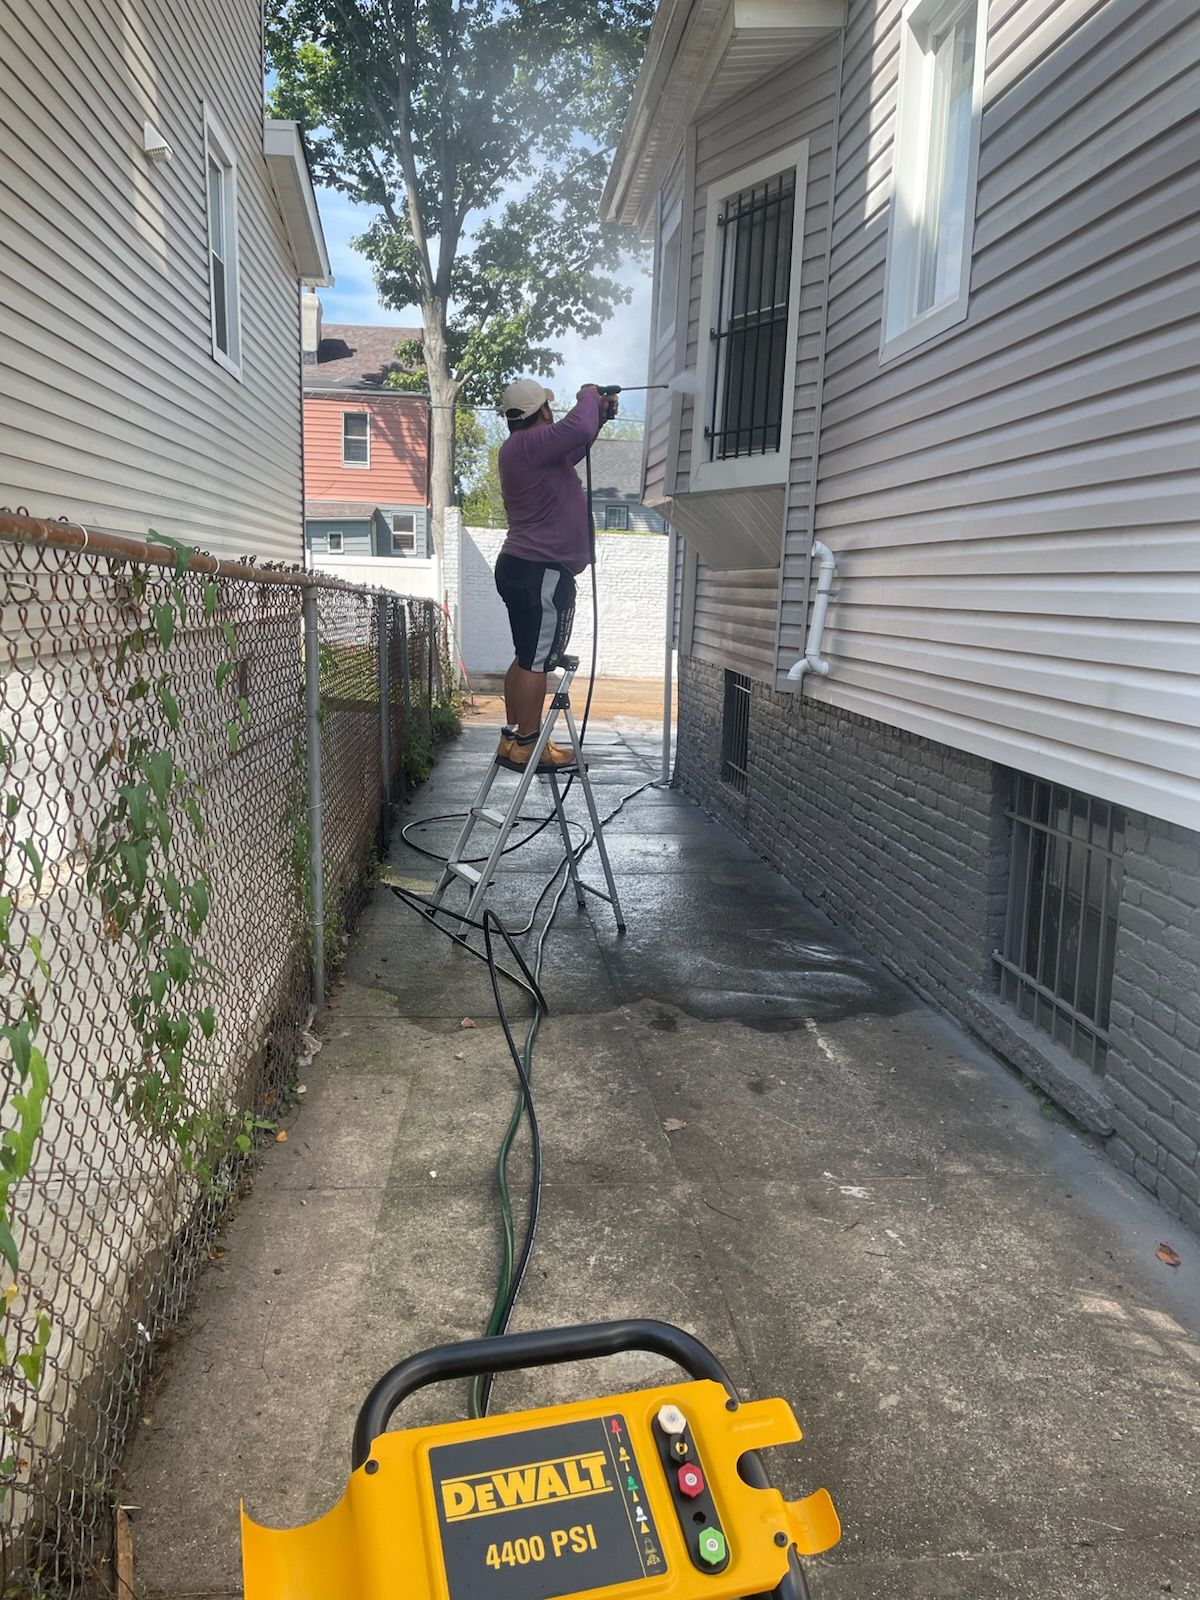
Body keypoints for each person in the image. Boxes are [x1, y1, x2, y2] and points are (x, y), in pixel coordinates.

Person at [492, 378, 617, 771]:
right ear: (542, 410)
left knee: (525, 656)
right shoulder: (531, 444)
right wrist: (588, 396)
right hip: (540, 571)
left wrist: (600, 419)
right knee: (537, 663)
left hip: (523, 567)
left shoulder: (524, 449)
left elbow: (577, 443)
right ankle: (530, 743)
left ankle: (515, 739)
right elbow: (576, 429)